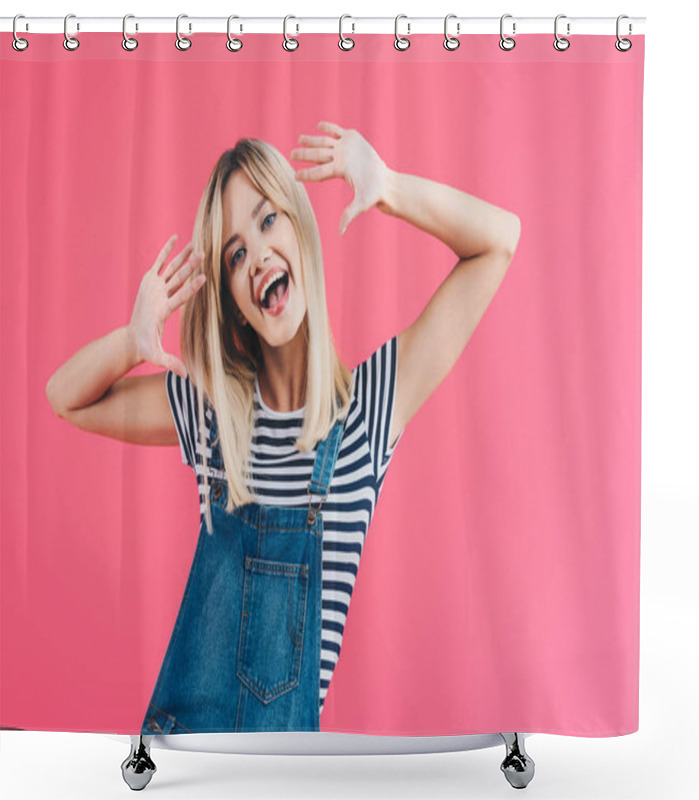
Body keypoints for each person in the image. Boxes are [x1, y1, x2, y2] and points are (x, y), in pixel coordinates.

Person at [46, 120, 521, 733]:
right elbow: (67, 399)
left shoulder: (368, 410)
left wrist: (389, 186)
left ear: (300, 226)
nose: (257, 257)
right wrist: (131, 341)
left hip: (284, 770)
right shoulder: (215, 413)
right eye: (235, 253)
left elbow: (499, 241)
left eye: (268, 220)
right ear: (236, 304)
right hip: (186, 763)